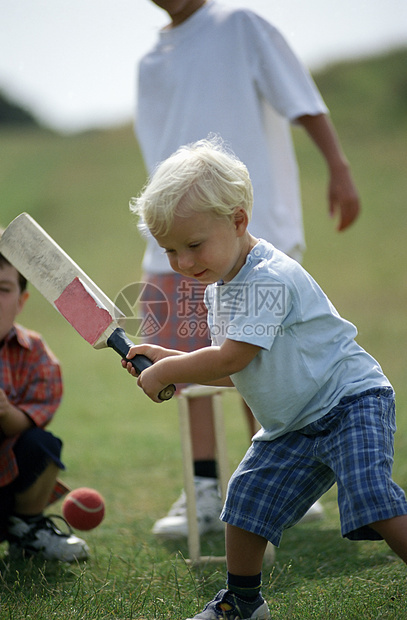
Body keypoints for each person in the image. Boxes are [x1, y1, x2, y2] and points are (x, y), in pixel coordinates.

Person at [125, 139, 407, 620]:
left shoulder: (267, 278)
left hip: (348, 403)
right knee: (246, 501)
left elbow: (231, 358)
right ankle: (242, 602)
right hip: (293, 423)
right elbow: (244, 367)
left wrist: (173, 368)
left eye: (194, 245)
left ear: (238, 221)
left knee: (370, 494)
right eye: (170, 251)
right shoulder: (222, 286)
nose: (185, 263)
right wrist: (170, 355)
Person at [135, 0, 360, 538]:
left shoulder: (238, 24)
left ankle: (289, 482)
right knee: (194, 356)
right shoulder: (149, 61)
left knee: (255, 359)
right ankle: (205, 489)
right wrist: (168, 243)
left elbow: (300, 99)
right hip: (180, 240)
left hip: (241, 236)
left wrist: (339, 167)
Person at [0, 227, 89, 562]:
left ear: (21, 301)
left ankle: (27, 527)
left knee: (43, 443)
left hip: (4, 490)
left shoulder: (34, 353)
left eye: (3, 289)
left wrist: (5, 412)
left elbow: (32, 419)